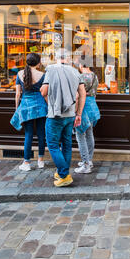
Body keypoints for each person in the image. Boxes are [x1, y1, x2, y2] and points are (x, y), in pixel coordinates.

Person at [40, 48, 86, 187]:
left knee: (53, 145)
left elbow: (44, 91)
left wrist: (51, 103)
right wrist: (78, 114)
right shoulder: (75, 71)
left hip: (55, 115)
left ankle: (64, 174)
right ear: (68, 58)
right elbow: (82, 94)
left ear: (56, 57)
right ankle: (62, 172)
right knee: (67, 144)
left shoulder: (51, 69)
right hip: (71, 114)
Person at [10, 53, 48, 171]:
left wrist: (17, 108)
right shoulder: (43, 74)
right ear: (38, 63)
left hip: (26, 106)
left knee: (28, 134)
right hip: (41, 106)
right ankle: (41, 160)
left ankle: (26, 162)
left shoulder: (20, 74)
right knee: (42, 133)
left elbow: (17, 94)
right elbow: (45, 93)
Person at [74, 62, 100, 174]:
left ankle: (85, 164)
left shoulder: (80, 77)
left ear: (81, 64)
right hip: (93, 107)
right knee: (90, 134)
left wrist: (76, 111)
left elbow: (77, 95)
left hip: (83, 107)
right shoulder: (95, 75)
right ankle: (89, 160)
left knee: (80, 135)